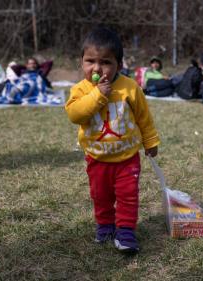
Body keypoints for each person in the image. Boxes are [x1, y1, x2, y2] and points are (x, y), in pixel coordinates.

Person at [65, 27, 160, 253]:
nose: (97, 68)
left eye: (106, 62)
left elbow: (143, 117)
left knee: (128, 196)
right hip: (97, 158)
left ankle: (125, 231)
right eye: (90, 61)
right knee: (100, 196)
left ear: (119, 64)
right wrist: (98, 95)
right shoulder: (80, 89)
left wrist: (150, 141)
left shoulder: (129, 88)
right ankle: (105, 226)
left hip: (127, 158)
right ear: (81, 62)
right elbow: (75, 114)